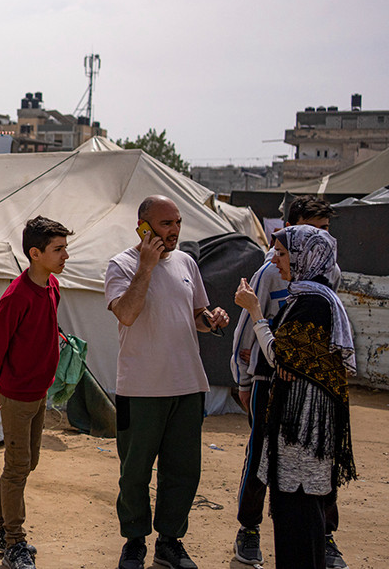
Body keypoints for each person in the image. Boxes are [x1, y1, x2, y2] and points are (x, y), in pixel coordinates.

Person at [104, 195, 229, 569]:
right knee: (135, 472)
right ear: (143, 226)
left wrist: (212, 320)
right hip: (140, 389)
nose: (173, 231)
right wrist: (146, 267)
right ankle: (134, 541)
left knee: (183, 469)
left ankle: (170, 542)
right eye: (165, 224)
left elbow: (196, 315)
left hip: (188, 385)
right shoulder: (122, 265)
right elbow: (126, 314)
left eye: (177, 223)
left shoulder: (188, 262)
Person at [230, 196, 347, 567]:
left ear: (303, 255)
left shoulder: (313, 300)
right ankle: (252, 531)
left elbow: (282, 357)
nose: (274, 259)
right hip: (296, 408)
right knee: (291, 500)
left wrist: (254, 312)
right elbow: (283, 355)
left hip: (302, 419)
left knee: (298, 505)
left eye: (281, 252)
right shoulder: (305, 294)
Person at [0, 216, 72, 569]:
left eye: (64, 247)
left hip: (39, 391)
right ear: (35, 253)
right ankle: (14, 542)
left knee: (28, 462)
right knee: (16, 468)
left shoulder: (54, 287)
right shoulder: (16, 296)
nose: (65, 255)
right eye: (58, 249)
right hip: (16, 393)